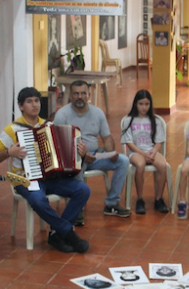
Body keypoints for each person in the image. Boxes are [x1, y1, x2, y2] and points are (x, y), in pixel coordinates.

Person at [0, 87, 91, 253]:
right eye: (29, 101)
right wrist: (9, 152)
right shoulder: (12, 129)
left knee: (83, 190)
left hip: (51, 177)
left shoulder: (49, 126)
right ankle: (67, 233)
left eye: (36, 101)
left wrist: (81, 154)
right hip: (25, 179)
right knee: (38, 200)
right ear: (21, 106)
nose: (34, 105)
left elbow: (66, 156)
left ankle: (57, 233)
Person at [54, 81, 132, 219]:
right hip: (72, 158)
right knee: (79, 163)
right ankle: (76, 209)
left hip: (96, 156)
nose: (80, 96)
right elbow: (58, 145)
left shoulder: (97, 113)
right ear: (70, 96)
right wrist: (82, 156)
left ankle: (112, 204)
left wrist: (110, 152)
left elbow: (107, 138)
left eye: (83, 93)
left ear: (89, 95)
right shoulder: (62, 114)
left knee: (123, 161)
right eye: (76, 93)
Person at [120, 90, 170, 215]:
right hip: (136, 152)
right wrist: (143, 154)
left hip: (151, 150)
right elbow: (129, 142)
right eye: (141, 104)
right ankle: (140, 199)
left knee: (162, 165)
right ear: (135, 104)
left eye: (147, 104)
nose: (144, 107)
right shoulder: (129, 120)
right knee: (140, 165)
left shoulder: (156, 120)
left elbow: (159, 141)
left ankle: (159, 198)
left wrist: (153, 152)